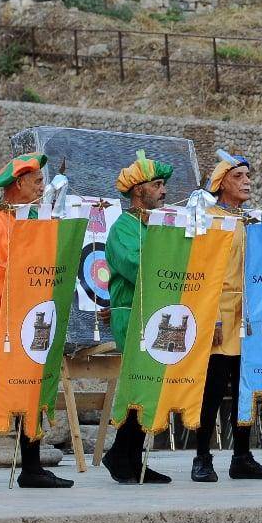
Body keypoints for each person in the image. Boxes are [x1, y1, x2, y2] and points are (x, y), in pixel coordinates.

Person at [0, 153, 74, 491]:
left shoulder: (40, 219)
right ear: (18, 184)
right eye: (37, 182)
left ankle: (31, 467)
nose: (42, 187)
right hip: (1, 316)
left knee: (33, 390)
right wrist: (26, 276)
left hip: (35, 315)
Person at [190, 152, 262, 483]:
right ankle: (202, 456)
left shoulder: (251, 221)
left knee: (247, 387)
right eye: (239, 176)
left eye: (248, 176)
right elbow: (204, 271)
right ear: (221, 183)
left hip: (250, 316)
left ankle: (242, 456)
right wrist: (212, 317)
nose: (247, 182)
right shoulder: (211, 219)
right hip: (220, 312)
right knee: (213, 388)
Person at [100, 151, 174, 484]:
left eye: (164, 185)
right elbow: (137, 266)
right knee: (137, 388)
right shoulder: (122, 228)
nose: (164, 191)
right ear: (137, 190)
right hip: (132, 315)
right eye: (157, 185)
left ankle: (129, 457)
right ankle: (121, 455)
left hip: (153, 314)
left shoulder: (154, 226)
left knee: (148, 389)